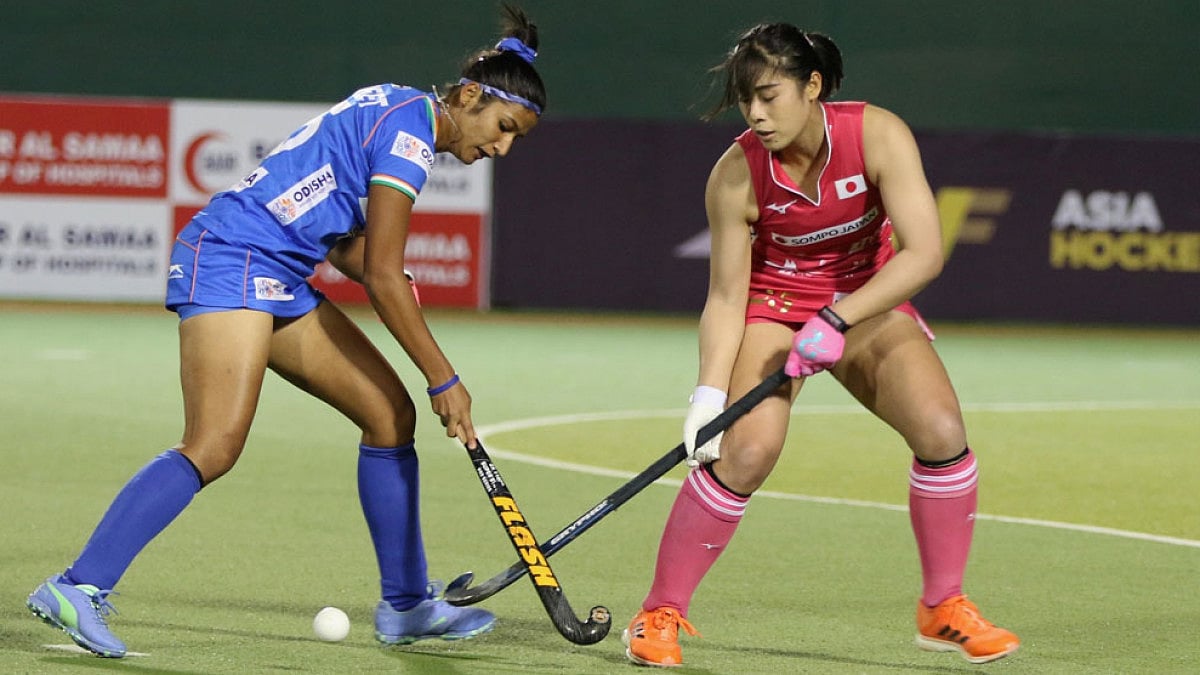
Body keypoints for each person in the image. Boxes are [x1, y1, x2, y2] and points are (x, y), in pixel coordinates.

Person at [25, 4, 545, 659]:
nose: (499, 148)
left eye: (515, 140)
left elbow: (337, 240)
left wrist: (377, 266)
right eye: (501, 129)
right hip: (232, 259)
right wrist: (445, 377)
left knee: (387, 414)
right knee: (213, 444)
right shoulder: (410, 137)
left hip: (277, 272)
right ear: (469, 97)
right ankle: (77, 586)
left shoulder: (397, 107)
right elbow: (381, 277)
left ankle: (408, 603)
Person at [622, 23, 1019, 667]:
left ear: (813, 87)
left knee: (942, 430)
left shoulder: (877, 135)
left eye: (770, 95)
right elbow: (726, 297)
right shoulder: (735, 175)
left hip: (864, 299)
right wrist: (707, 395)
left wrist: (838, 319)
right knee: (747, 452)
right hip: (774, 308)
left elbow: (924, 254)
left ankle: (942, 607)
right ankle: (660, 612)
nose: (755, 112)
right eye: (746, 97)